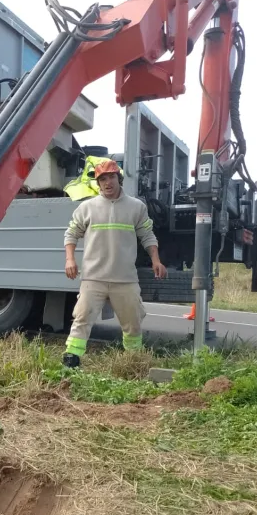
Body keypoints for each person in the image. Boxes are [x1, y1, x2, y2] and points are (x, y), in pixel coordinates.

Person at [62, 158, 167, 368]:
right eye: (102, 179)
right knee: (82, 319)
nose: (107, 183)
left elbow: (147, 235)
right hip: (93, 277)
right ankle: (71, 361)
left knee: (133, 322)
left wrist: (156, 260)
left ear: (119, 179)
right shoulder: (87, 207)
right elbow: (71, 233)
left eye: (110, 177)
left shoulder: (136, 207)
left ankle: (133, 361)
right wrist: (70, 259)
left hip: (125, 279)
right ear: (98, 183)